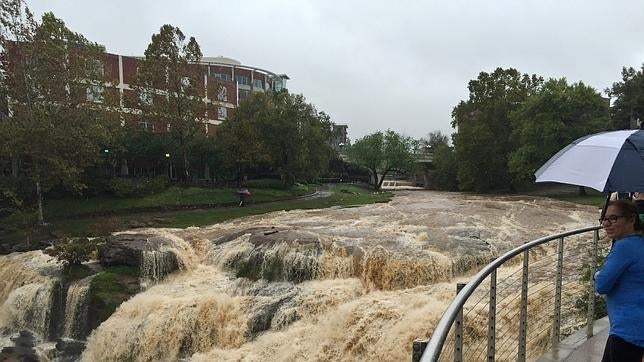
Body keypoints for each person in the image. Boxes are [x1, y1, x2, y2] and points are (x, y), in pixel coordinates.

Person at [594, 200, 644, 362]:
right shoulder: (639, 243)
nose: (606, 224)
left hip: (627, 331)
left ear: (632, 219)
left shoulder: (625, 247)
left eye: (614, 218)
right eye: (604, 219)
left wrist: (597, 274)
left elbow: (602, 285)